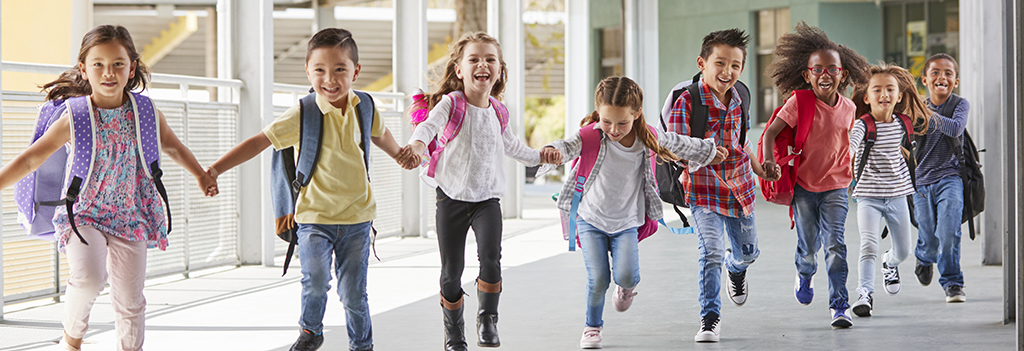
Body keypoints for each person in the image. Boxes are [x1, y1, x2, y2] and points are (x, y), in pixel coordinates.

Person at [0, 25, 217, 351]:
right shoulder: (74, 115)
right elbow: (31, 159)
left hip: (132, 213)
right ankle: (71, 341)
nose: (108, 72)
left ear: (132, 68)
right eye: (98, 64)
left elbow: (171, 146)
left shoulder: (145, 112)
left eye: (118, 63)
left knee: (130, 298)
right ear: (83, 69)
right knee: (88, 279)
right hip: (82, 212)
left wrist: (200, 174)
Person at [206, 28, 416, 351]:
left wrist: (400, 153)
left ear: (355, 72)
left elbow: (380, 135)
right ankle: (310, 331)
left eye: (339, 70)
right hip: (314, 218)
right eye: (319, 70)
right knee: (316, 283)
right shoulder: (303, 113)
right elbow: (259, 142)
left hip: (358, 218)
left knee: (353, 293)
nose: (329, 79)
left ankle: (362, 345)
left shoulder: (365, 106)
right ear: (308, 71)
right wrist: (216, 169)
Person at [541, 76, 725, 349]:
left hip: (626, 222)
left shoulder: (645, 137)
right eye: (606, 121)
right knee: (598, 278)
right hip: (590, 218)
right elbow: (567, 146)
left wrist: (709, 151)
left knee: (626, 275)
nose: (613, 130)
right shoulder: (590, 135)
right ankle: (592, 327)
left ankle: (625, 287)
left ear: (636, 113)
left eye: (622, 122)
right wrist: (553, 151)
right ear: (598, 112)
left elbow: (678, 143)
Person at [402, 31, 549, 351]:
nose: (482, 64)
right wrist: (416, 142)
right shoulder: (450, 104)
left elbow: (513, 147)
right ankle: (453, 332)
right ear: (459, 69)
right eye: (474, 59)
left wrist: (542, 156)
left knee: (492, 261)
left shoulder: (499, 110)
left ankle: (487, 320)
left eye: (490, 59)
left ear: (499, 70)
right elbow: (427, 127)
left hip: (487, 200)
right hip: (451, 198)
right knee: (450, 273)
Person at [664, 28, 770, 343]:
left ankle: (736, 269)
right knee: (710, 251)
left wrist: (761, 170)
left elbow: (742, 142)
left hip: (740, 186)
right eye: (720, 63)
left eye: (735, 65)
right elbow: (674, 146)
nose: (727, 72)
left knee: (747, 254)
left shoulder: (742, 96)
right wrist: (705, 154)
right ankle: (710, 318)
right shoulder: (688, 100)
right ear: (702, 63)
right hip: (702, 189)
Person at [761, 22, 870, 329]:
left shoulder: (849, 108)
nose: (825, 74)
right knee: (809, 246)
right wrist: (770, 162)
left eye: (832, 69)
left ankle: (839, 306)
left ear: (843, 75)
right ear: (807, 75)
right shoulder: (800, 102)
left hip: (837, 186)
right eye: (817, 69)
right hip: (805, 187)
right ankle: (804, 273)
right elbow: (770, 133)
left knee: (836, 244)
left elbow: (851, 143)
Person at [848, 63, 932, 317]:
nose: (884, 94)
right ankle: (864, 294)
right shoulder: (863, 125)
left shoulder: (903, 124)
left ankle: (889, 263)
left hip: (897, 196)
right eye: (877, 90)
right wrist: (846, 154)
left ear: (899, 96)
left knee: (904, 251)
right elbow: (851, 143)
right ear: (866, 96)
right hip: (868, 197)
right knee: (868, 245)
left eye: (890, 89)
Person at [914, 53, 970, 302]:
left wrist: (926, 114)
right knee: (928, 235)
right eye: (935, 72)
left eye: (948, 73)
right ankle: (924, 257)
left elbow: (956, 128)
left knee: (948, 231)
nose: (942, 77)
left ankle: (953, 282)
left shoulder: (960, 104)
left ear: (955, 81)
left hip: (951, 177)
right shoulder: (916, 108)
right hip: (921, 181)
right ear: (925, 79)